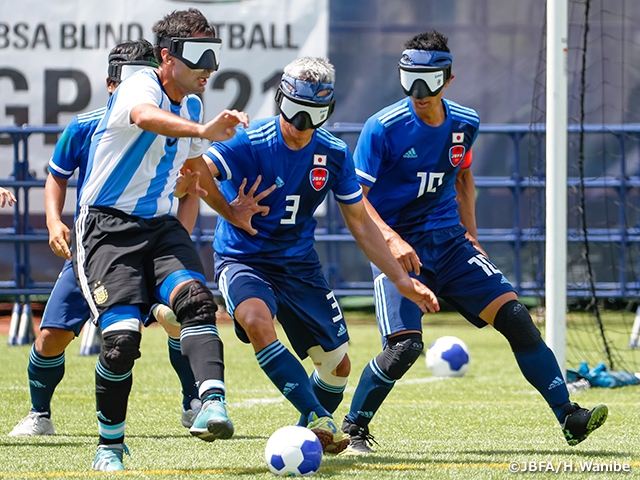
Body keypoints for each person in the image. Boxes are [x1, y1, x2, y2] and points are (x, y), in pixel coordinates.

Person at [340, 30, 609, 454]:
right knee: (406, 347)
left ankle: (568, 415)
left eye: (427, 82)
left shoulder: (466, 121)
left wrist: (473, 237)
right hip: (399, 254)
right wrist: (391, 240)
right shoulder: (383, 127)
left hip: (451, 245)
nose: (418, 92)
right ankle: (354, 427)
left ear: (448, 79)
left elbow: (463, 176)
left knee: (517, 317)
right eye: (409, 80)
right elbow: (357, 200)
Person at [200, 56, 439, 455]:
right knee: (258, 322)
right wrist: (230, 210)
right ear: (280, 100)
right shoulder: (248, 141)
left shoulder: (333, 153)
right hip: (245, 258)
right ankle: (316, 415)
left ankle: (303, 439)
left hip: (299, 267)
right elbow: (198, 170)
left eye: (314, 116)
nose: (300, 125)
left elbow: (361, 222)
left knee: (337, 367)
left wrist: (401, 280)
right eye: (294, 112)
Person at [71, 9, 273, 472]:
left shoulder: (196, 105)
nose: (210, 67)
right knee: (121, 340)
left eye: (214, 54)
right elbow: (144, 116)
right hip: (105, 228)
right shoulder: (140, 84)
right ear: (166, 57)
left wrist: (232, 212)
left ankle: (211, 403)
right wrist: (203, 131)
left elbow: (197, 173)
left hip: (160, 227)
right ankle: (110, 444)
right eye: (200, 55)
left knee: (197, 302)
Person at [8, 39, 205, 438]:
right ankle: (39, 413)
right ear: (112, 83)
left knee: (176, 317)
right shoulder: (86, 126)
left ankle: (194, 403)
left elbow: (191, 183)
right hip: (100, 248)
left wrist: (175, 241)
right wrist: (53, 222)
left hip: (153, 244)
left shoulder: (176, 118)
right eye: (127, 80)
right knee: (51, 338)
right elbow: (57, 176)